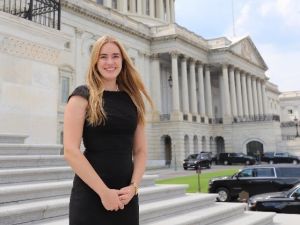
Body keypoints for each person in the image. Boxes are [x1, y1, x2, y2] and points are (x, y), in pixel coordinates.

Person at [63, 35, 153, 225]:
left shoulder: (133, 100)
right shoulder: (82, 96)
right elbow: (71, 151)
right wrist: (104, 193)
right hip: (90, 196)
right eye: (103, 57)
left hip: (126, 199)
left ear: (123, 60)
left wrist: (134, 187)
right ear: (95, 61)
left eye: (115, 56)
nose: (110, 62)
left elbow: (140, 151)